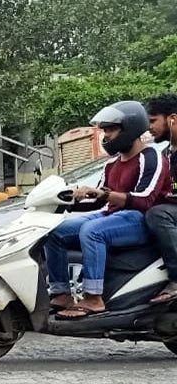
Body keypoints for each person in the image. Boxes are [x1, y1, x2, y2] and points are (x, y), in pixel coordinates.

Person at [47, 101, 171, 319]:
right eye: (105, 130)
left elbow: (144, 200)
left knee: (92, 230)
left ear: (130, 128)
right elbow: (97, 202)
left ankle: (94, 298)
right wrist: (63, 201)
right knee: (55, 232)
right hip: (113, 216)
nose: (107, 136)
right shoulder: (111, 164)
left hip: (140, 220)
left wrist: (103, 194)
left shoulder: (150, 157)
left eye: (112, 129)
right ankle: (61, 292)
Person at [144, 94, 177, 304]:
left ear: (172, 119)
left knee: (158, 213)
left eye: (153, 120)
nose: (149, 127)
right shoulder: (165, 154)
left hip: (169, 213)